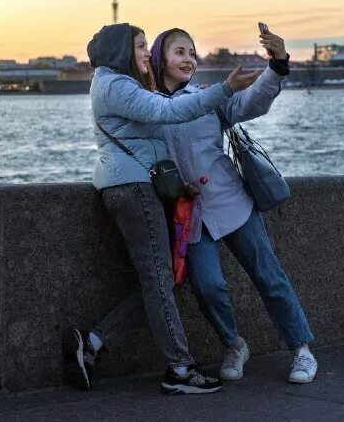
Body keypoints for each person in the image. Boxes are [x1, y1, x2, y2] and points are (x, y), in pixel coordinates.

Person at [63, 23, 259, 395]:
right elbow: (169, 112)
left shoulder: (118, 83)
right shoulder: (116, 85)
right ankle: (179, 368)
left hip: (134, 185)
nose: (145, 54)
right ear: (120, 51)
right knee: (158, 279)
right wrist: (225, 90)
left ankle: (93, 341)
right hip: (133, 188)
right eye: (139, 47)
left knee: (163, 280)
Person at [151, 27, 317, 384]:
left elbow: (250, 103)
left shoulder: (208, 96)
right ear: (158, 59)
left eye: (192, 53)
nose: (188, 59)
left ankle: (302, 349)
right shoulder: (148, 107)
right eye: (179, 51)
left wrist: (278, 66)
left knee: (269, 277)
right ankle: (233, 343)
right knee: (208, 287)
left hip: (231, 203)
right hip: (189, 216)